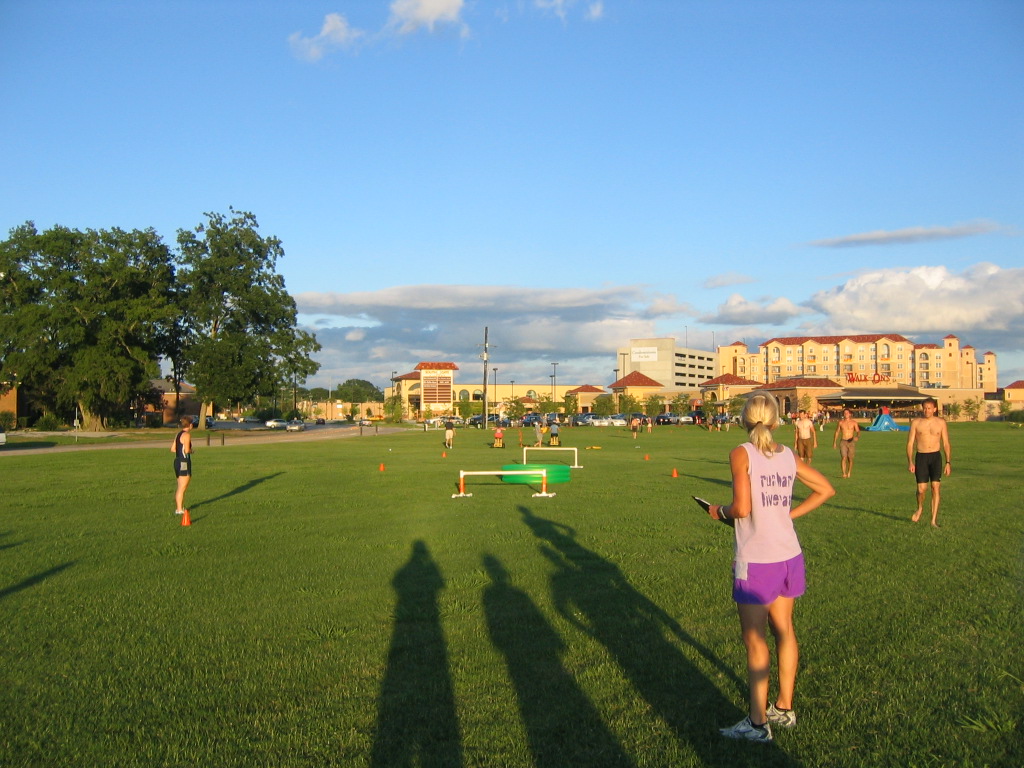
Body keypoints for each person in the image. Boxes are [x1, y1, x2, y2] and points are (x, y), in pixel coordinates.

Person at [707, 391, 835, 743]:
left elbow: (741, 508)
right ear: (777, 421)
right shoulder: (788, 455)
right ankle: (784, 707)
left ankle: (757, 722)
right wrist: (787, 515)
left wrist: (717, 511)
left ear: (744, 420)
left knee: (755, 640)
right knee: (785, 630)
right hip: (788, 554)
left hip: (757, 559)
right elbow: (826, 489)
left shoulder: (742, 453)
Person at [907, 397, 951, 527]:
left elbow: (946, 443)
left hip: (935, 457)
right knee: (921, 489)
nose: (926, 410)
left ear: (934, 409)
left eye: (929, 408)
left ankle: (933, 520)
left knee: (935, 487)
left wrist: (948, 462)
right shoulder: (916, 423)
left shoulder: (941, 423)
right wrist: (910, 462)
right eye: (925, 408)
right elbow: (910, 443)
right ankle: (920, 508)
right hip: (921, 457)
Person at [171, 416, 194, 515]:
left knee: (180, 486)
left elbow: (173, 449)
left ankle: (179, 508)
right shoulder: (186, 435)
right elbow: (187, 450)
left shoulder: (178, 434)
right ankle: (179, 509)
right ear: (190, 425)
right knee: (182, 487)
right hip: (184, 462)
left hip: (177, 461)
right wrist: (192, 451)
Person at [832, 408, 861, 478]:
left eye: (847, 413)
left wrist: (857, 437)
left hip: (851, 441)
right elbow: (837, 432)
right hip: (843, 441)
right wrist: (834, 442)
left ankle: (849, 472)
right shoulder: (841, 422)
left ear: (850, 414)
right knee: (844, 457)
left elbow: (858, 431)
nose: (846, 414)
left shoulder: (854, 422)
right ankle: (844, 473)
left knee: (850, 458)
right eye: (844, 413)